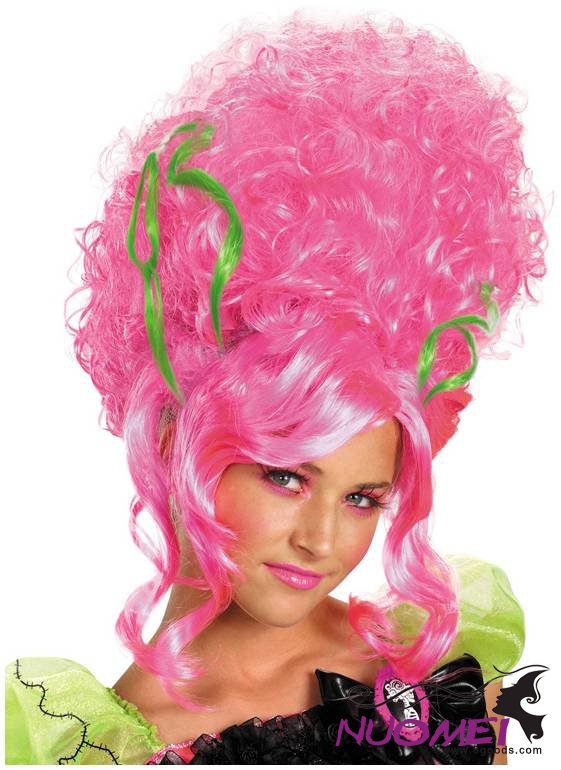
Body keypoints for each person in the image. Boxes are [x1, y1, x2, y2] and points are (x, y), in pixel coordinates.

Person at [5, 9, 547, 765]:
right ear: (177, 440)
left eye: (363, 499)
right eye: (286, 477)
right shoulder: (94, 748)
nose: (320, 541)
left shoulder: (439, 681)